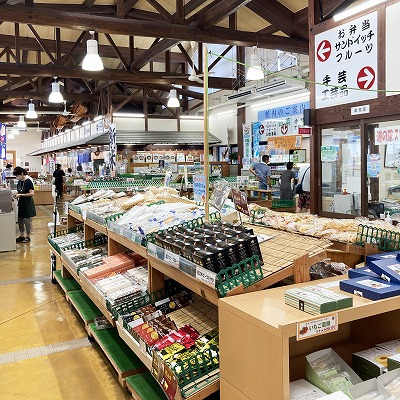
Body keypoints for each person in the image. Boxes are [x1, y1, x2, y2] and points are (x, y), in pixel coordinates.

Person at [13, 166, 36, 243]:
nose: (17, 177)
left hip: (27, 203)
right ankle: (22, 235)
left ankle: (28, 236)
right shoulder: (19, 182)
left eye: (17, 175)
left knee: (27, 221)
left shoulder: (28, 181)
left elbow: (32, 193)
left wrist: (21, 195)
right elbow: (19, 191)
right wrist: (16, 195)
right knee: (20, 220)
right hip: (21, 203)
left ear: (22, 173)